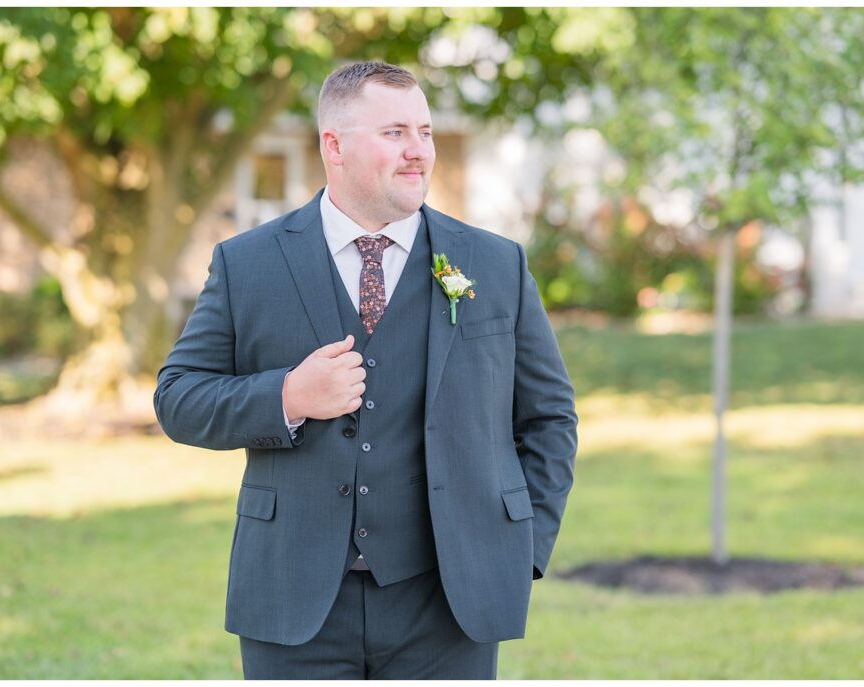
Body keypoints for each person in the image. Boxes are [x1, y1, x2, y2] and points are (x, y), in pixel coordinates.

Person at [153, 61, 577, 680]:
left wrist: (521, 549)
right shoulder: (249, 263)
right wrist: (287, 397)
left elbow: (549, 418)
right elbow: (178, 398)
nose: (418, 151)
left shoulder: (495, 263)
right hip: (292, 598)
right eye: (394, 133)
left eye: (425, 132)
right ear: (335, 145)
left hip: (448, 606)